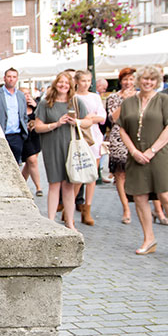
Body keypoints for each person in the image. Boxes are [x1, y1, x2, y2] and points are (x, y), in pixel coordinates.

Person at [115, 65, 168, 258]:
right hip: (135, 155)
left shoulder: (163, 99)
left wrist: (151, 150)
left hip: (160, 154)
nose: (148, 82)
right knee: (140, 197)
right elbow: (121, 127)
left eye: (152, 79)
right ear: (139, 80)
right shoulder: (129, 102)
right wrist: (134, 151)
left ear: (156, 81)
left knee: (167, 196)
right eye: (145, 79)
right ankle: (149, 238)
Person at [34, 71, 94, 230]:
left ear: (71, 85)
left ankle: (69, 222)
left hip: (71, 146)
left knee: (68, 185)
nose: (63, 85)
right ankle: (51, 221)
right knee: (54, 184)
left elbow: (89, 121)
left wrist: (78, 122)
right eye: (60, 82)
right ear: (55, 84)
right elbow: (38, 127)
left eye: (66, 83)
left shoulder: (75, 102)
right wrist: (56, 124)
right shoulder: (46, 103)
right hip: (52, 146)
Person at [104, 67, 137, 224]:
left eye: (131, 79)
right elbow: (113, 118)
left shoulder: (143, 96)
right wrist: (126, 102)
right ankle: (126, 208)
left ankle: (157, 209)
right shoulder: (113, 98)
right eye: (125, 79)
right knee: (120, 174)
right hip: (119, 137)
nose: (128, 82)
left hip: (138, 136)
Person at [74, 70, 106, 226]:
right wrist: (89, 118)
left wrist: (89, 118)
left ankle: (87, 208)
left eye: (88, 80)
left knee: (92, 174)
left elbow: (102, 117)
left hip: (94, 137)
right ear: (77, 82)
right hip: (79, 137)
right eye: (83, 80)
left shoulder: (95, 97)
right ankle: (70, 205)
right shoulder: (73, 97)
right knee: (79, 174)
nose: (86, 83)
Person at [0, 68, 29, 165]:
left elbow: (23, 114)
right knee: (0, 164)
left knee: (15, 166)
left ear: (17, 79)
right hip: (1, 135)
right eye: (9, 76)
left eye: (14, 77)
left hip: (16, 136)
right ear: (4, 78)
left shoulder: (20, 95)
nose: (11, 79)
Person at [22, 86, 44, 196]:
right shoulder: (18, 107)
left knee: (30, 163)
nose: (27, 96)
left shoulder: (35, 107)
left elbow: (42, 117)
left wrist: (35, 106)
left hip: (36, 136)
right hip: (25, 137)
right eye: (24, 94)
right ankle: (38, 187)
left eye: (28, 94)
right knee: (32, 160)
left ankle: (21, 185)